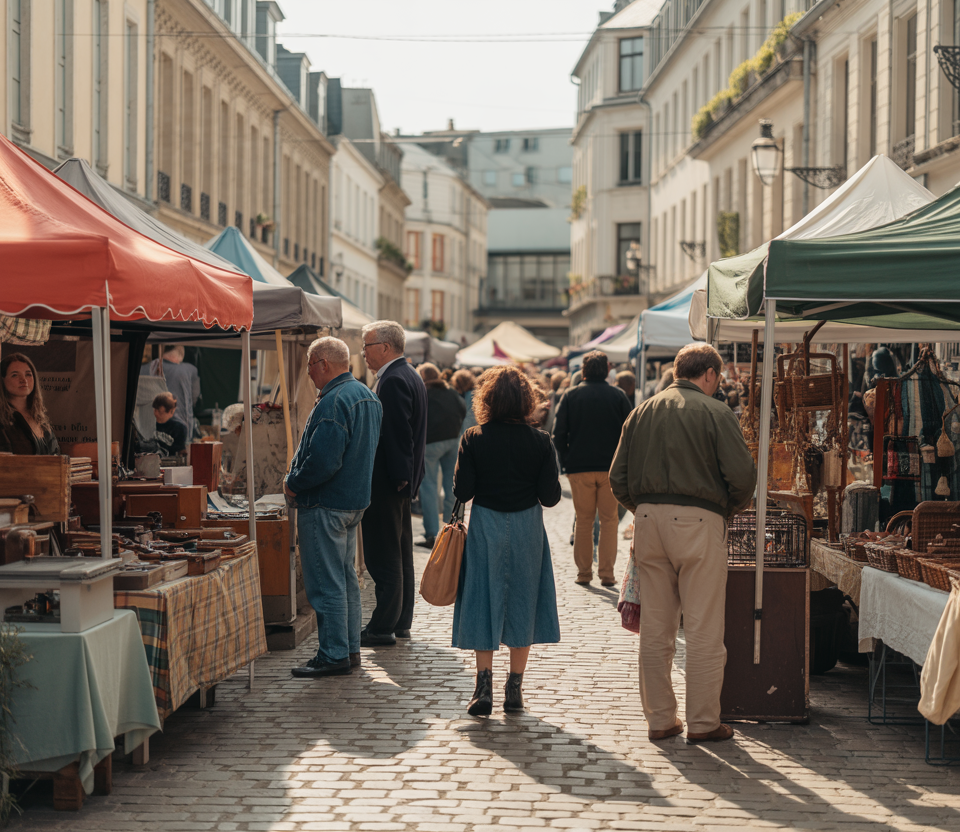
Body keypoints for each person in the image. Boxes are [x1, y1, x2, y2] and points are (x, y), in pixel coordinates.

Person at [609, 342, 756, 744]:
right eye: (718, 377)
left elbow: (617, 479)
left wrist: (642, 508)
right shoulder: (716, 412)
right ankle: (704, 723)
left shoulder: (641, 412)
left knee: (657, 628)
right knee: (705, 628)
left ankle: (660, 719)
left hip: (649, 523)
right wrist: (723, 510)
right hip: (699, 520)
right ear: (708, 373)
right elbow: (744, 477)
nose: (718, 384)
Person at [453, 365, 562, 716]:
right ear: (526, 401)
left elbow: (463, 491)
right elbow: (551, 498)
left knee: (482, 597)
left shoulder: (473, 437)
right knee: (523, 600)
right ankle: (514, 688)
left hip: (486, 523)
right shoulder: (541, 441)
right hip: (527, 524)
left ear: (487, 400)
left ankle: (482, 686)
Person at [284, 337, 382, 678]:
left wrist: (292, 482)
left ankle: (334, 653)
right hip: (351, 503)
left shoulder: (334, 400)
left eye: (311, 365)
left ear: (324, 363)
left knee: (327, 584)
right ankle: (348, 649)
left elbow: (323, 462)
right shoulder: (366, 395)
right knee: (344, 580)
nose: (309, 372)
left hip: (326, 504)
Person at [359, 321, 428, 647]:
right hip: (399, 481)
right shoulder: (406, 373)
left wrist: (400, 479)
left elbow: (398, 434)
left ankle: (383, 625)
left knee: (385, 555)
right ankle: (399, 621)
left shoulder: (394, 379)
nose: (363, 353)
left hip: (389, 482)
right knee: (399, 554)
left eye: (366, 346)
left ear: (385, 347)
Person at [553, 350, 633, 587]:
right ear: (607, 370)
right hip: (610, 468)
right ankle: (607, 574)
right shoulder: (618, 395)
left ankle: (583, 573)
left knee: (584, 520)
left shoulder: (570, 395)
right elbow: (629, 433)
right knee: (609, 521)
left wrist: (566, 460)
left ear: (583, 371)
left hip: (579, 468)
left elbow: (559, 434)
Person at [417, 363, 466, 549]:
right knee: (451, 486)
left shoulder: (424, 393)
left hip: (430, 443)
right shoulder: (451, 391)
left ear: (423, 377)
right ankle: (451, 530)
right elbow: (463, 410)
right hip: (453, 440)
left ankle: (432, 535)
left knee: (429, 488)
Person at [0, 353, 59, 455]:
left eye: (28, 374)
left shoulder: (41, 419)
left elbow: (57, 456)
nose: (24, 380)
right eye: (15, 375)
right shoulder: (2, 419)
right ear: (2, 380)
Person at [143, 345, 200, 439]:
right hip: (179, 432)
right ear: (180, 355)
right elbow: (194, 399)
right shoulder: (189, 370)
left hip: (147, 430)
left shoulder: (143, 369)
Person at [152, 392, 188, 456]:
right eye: (155, 410)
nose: (156, 414)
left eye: (160, 412)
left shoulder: (179, 428)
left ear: (171, 411)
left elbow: (181, 451)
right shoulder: (149, 424)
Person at [451, 369, 477, 437]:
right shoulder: (471, 393)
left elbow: (469, 418)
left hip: (467, 434)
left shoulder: (470, 395)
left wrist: (462, 437)